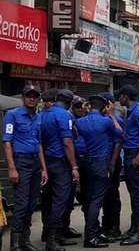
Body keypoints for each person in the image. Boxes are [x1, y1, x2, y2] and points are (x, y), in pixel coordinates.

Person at [75, 94, 123, 248]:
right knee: (97, 200)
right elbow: (120, 133)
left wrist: (85, 111)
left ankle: (94, 231)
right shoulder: (105, 122)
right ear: (104, 106)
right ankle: (91, 236)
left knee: (90, 199)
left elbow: (75, 137)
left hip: (87, 161)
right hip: (101, 162)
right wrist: (111, 115)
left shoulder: (80, 122)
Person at [3, 86, 46, 251]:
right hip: (20, 162)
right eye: (29, 96)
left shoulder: (38, 117)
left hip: (35, 163)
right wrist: (12, 168)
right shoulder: (12, 115)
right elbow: (7, 142)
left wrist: (43, 168)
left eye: (35, 96)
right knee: (21, 204)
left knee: (32, 203)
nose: (32, 99)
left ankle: (25, 241)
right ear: (23, 97)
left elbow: (39, 143)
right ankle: (14, 245)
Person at [39, 89, 79, 250]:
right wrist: (74, 166)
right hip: (60, 162)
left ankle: (48, 233)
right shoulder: (65, 115)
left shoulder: (43, 114)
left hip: (45, 162)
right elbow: (67, 142)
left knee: (48, 200)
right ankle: (52, 239)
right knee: (60, 200)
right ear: (69, 103)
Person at [114, 85, 139, 245]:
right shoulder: (130, 111)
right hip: (130, 154)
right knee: (133, 193)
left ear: (126, 96)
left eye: (120, 96)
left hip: (134, 154)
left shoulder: (137, 112)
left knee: (137, 194)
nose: (118, 99)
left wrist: (138, 156)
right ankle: (134, 227)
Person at [61, 96, 87, 242]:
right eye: (76, 106)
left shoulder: (87, 120)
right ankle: (63, 229)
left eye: (81, 106)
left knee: (85, 198)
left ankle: (89, 227)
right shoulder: (69, 121)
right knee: (67, 199)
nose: (79, 109)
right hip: (71, 164)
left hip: (85, 162)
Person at [100, 93, 125, 242]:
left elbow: (119, 141)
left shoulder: (116, 119)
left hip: (112, 162)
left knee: (112, 195)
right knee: (104, 196)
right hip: (102, 161)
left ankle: (114, 228)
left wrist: (112, 163)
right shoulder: (101, 119)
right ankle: (106, 225)